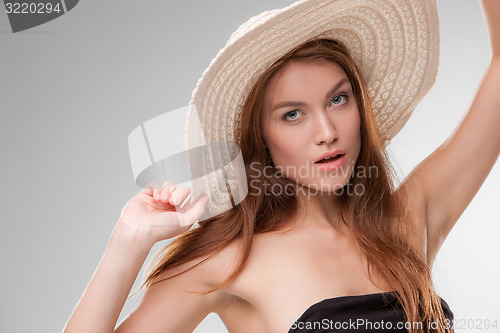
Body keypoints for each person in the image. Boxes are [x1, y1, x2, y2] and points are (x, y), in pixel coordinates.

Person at [64, 0, 500, 332]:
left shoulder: (406, 219)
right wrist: (128, 239)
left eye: (338, 99)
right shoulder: (228, 260)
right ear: (262, 140)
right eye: (292, 114)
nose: (327, 131)